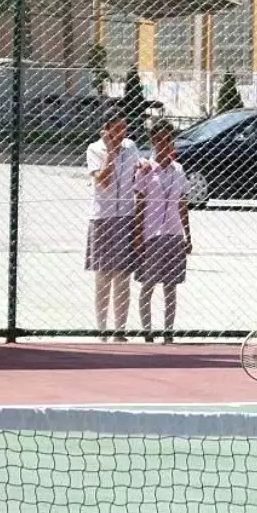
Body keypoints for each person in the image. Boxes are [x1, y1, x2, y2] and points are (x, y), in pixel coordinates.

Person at [85, 113, 143, 342]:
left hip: (126, 215)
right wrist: (110, 152)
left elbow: (136, 174)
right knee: (103, 276)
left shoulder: (130, 147)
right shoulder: (95, 149)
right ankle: (102, 329)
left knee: (122, 276)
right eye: (116, 129)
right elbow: (102, 180)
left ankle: (120, 329)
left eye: (124, 128)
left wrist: (143, 165)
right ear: (106, 129)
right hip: (103, 216)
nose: (121, 134)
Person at [133, 121, 191, 343]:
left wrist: (187, 235)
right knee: (148, 284)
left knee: (171, 286)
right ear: (153, 142)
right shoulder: (147, 169)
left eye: (167, 140)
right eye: (158, 140)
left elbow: (182, 204)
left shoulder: (178, 170)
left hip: (174, 233)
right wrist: (137, 235)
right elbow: (139, 204)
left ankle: (169, 332)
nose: (163, 144)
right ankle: (147, 331)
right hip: (152, 234)